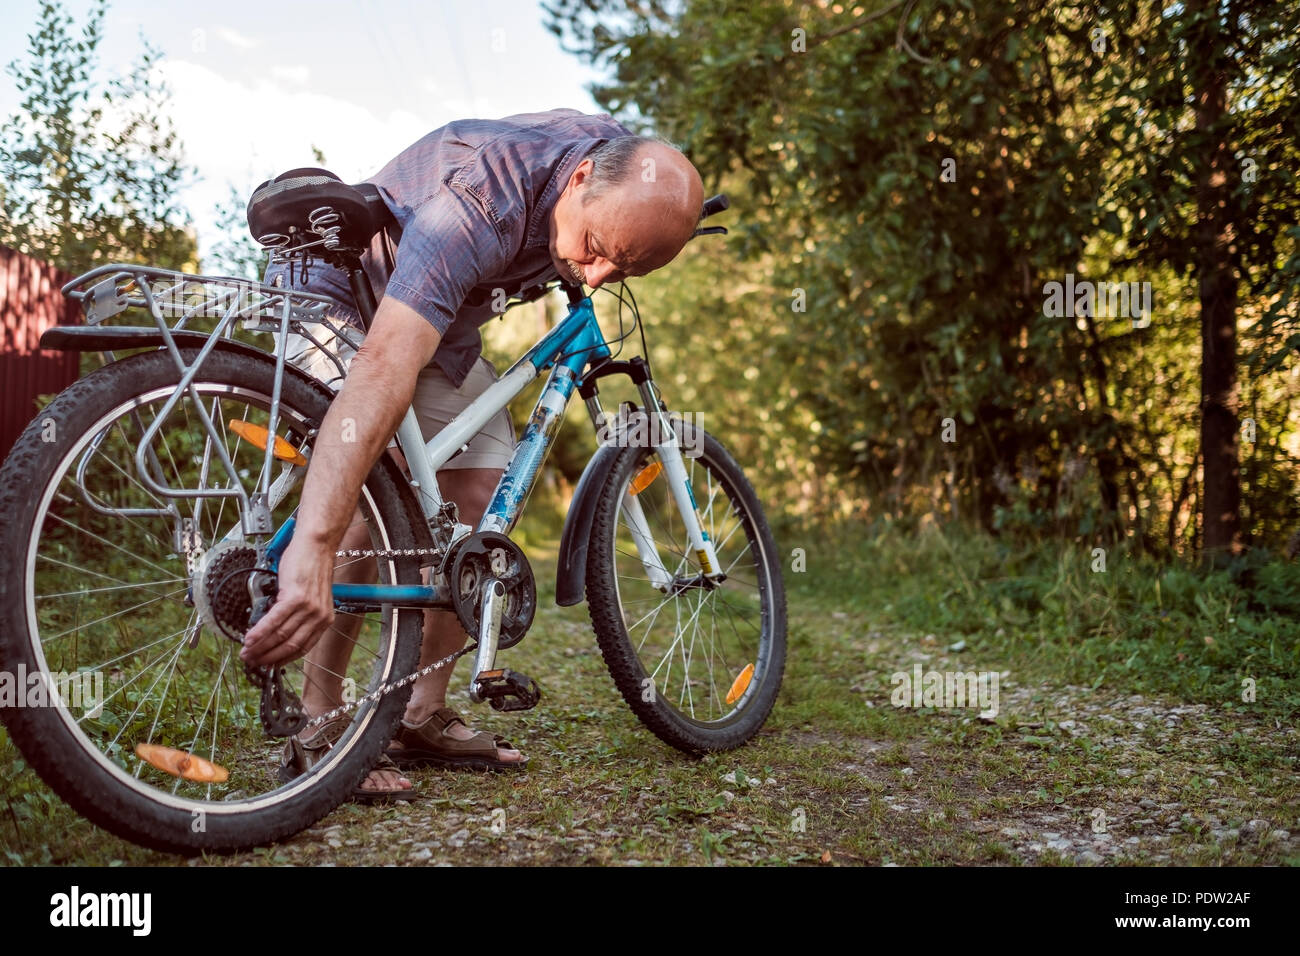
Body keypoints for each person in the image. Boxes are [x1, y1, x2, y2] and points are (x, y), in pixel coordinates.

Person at [240, 109, 705, 799]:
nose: (600, 278)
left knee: (480, 493)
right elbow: (383, 366)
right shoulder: (482, 199)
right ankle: (321, 720)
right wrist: (315, 540)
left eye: (627, 266)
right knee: (382, 487)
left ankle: (420, 713)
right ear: (580, 179)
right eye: (597, 245)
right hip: (341, 301)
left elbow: (650, 188)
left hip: (435, 324)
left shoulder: (618, 155)